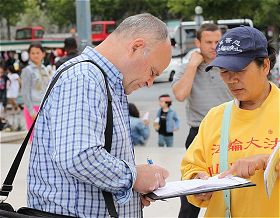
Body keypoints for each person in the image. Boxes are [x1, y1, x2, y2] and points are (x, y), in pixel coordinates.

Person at [27, 13, 172, 217]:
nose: (150, 82)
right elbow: (79, 156)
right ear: (136, 47)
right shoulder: (83, 78)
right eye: (153, 71)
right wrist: (135, 177)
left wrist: (129, 190)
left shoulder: (102, 80)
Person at [181, 26, 279, 217]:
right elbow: (190, 167)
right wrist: (197, 182)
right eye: (224, 71)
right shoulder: (215, 117)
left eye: (239, 70)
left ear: (265, 66)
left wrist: (267, 161)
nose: (231, 79)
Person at [172, 23, 232, 217]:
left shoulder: (231, 66)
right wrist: (192, 65)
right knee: (192, 197)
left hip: (231, 134)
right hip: (199, 135)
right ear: (198, 42)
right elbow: (180, 94)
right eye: (208, 42)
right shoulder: (188, 67)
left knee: (231, 191)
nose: (214, 46)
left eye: (218, 41)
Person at [21, 42, 51, 138]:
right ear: (29, 55)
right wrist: (31, 111)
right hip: (33, 108)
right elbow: (25, 93)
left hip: (45, 108)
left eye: (38, 53)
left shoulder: (45, 69)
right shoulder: (27, 70)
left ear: (43, 54)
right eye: (33, 53)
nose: (35, 55)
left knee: (45, 140)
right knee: (35, 140)